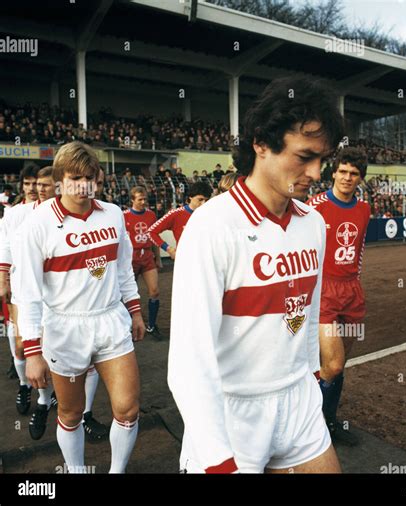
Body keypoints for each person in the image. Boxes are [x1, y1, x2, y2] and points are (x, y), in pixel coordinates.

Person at [168, 76, 344, 473]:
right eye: (304, 157)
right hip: (232, 413)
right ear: (261, 144)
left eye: (323, 160)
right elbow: (187, 361)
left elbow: (307, 312)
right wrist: (216, 459)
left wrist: (311, 378)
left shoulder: (313, 224)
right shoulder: (212, 226)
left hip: (298, 403)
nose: (317, 173)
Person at [17, 141, 145, 473]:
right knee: (71, 413)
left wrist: (134, 310)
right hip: (65, 327)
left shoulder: (113, 213)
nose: (84, 185)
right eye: (75, 178)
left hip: (110, 320)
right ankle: (76, 470)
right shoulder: (37, 224)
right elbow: (27, 291)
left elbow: (122, 270)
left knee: (128, 409)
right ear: (60, 179)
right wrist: (32, 350)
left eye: (90, 177)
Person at [306, 147, 370, 446]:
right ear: (333, 172)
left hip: (351, 291)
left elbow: (358, 252)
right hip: (324, 291)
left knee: (338, 364)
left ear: (360, 178)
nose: (347, 177)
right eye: (343, 171)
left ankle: (329, 422)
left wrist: (355, 284)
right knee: (332, 365)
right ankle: (309, 425)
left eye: (354, 173)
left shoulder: (364, 209)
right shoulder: (313, 206)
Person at [0, 165, 39, 417]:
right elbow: (4, 247)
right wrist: (3, 277)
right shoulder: (13, 215)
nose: (33, 188)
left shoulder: (53, 211)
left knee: (48, 343)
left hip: (46, 288)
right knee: (19, 343)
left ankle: (48, 397)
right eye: (28, 183)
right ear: (22, 186)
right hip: (18, 287)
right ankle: (25, 386)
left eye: (37, 183)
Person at [124, 186, 162, 336]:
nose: (143, 202)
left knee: (154, 291)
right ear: (132, 200)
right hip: (130, 258)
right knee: (127, 294)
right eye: (140, 199)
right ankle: (128, 326)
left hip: (147, 256)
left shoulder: (151, 215)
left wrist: (157, 258)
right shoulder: (123, 215)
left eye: (145, 199)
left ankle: (152, 325)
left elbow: (154, 238)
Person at [148, 182, 212, 260]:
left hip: (208, 260)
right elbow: (151, 232)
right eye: (200, 199)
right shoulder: (176, 214)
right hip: (185, 261)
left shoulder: (211, 214)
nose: (203, 203)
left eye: (207, 200)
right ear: (191, 197)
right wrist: (169, 249)